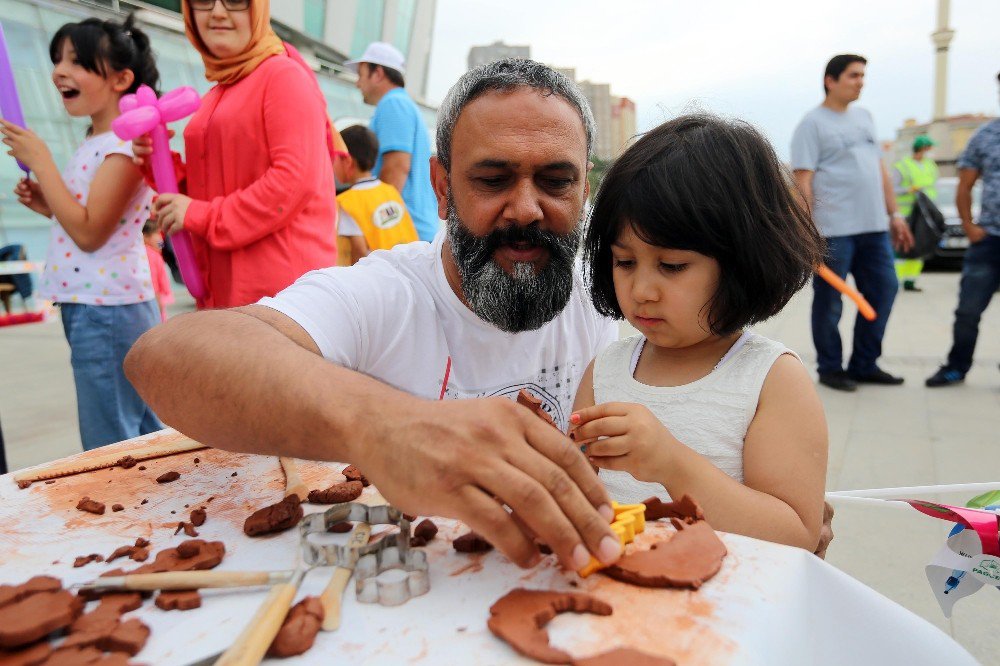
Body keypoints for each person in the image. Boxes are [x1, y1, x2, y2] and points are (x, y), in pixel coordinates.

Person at [126, 59, 626, 573]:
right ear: (442, 188)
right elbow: (162, 357)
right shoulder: (386, 293)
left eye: (556, 181)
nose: (526, 209)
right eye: (493, 179)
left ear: (584, 188)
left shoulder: (605, 293)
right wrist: (386, 426)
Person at [572, 115, 827, 551]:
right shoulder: (607, 369)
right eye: (624, 262)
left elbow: (796, 535)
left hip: (729, 606)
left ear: (743, 262)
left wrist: (671, 464)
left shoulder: (771, 380)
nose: (641, 290)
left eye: (672, 266)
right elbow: (575, 492)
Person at [0, 15, 163, 450]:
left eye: (77, 61)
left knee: (110, 439)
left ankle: (123, 518)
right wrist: (46, 201)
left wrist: (43, 162)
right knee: (139, 431)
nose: (58, 71)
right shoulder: (98, 140)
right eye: (57, 59)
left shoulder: (123, 147)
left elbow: (91, 233)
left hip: (106, 309)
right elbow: (85, 221)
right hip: (100, 304)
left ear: (121, 79)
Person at [141, 0, 338, 309]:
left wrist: (198, 214)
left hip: (282, 301)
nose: (218, 12)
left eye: (235, 1)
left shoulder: (282, 76)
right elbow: (205, 193)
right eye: (203, 1)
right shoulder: (220, 92)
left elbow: (293, 182)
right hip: (229, 298)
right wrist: (157, 160)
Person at [791, 54, 915, 392]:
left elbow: (880, 171)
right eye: (853, 75)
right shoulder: (812, 123)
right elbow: (803, 179)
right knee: (830, 303)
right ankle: (831, 368)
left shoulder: (865, 118)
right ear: (830, 80)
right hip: (833, 231)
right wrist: (806, 230)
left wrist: (895, 214)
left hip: (874, 228)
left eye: (863, 75)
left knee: (884, 290)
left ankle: (864, 364)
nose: (860, 81)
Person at [926, 73, 1000, 388]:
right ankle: (957, 367)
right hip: (990, 240)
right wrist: (969, 226)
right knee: (968, 310)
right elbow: (965, 185)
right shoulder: (985, 136)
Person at [347, 42, 439, 242]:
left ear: (378, 74)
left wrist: (377, 226)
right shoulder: (401, 104)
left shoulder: (393, 104)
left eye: (361, 75)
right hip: (410, 229)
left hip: (402, 232)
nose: (357, 83)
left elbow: (396, 167)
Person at [335, 124, 418, 265]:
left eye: (336, 158)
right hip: (408, 268)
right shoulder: (390, 191)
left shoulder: (347, 202)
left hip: (377, 277)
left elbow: (359, 250)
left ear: (348, 161)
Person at [893, 135, 939, 291]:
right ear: (922, 149)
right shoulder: (902, 166)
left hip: (925, 215)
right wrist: (908, 190)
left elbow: (933, 187)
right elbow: (892, 189)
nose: (931, 152)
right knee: (902, 248)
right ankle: (896, 282)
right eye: (929, 149)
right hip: (906, 215)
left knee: (919, 247)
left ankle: (910, 281)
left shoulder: (931, 165)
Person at [143, 219, 174, 321]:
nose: (160, 238)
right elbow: (153, 283)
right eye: (156, 233)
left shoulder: (153, 253)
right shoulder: (150, 255)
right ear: (145, 237)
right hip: (156, 303)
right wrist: (158, 307)